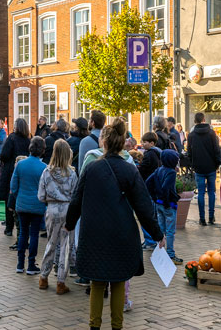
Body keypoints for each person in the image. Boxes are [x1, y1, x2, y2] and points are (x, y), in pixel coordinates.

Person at [66, 118, 164, 330]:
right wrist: (157, 234)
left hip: (94, 232)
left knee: (97, 282)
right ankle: (117, 326)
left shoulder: (91, 168)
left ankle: (94, 325)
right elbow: (143, 206)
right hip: (122, 231)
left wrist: (69, 223)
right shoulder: (130, 170)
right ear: (122, 143)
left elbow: (77, 199)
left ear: (104, 142)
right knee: (119, 281)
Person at [38, 139, 78, 294]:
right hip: (68, 210)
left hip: (52, 209)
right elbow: (75, 195)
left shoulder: (46, 172)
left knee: (51, 243)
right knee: (66, 246)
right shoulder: (72, 174)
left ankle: (43, 277)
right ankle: (61, 281)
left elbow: (41, 196)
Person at [11, 136, 47, 275]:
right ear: (42, 149)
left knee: (23, 233)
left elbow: (13, 186)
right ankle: (31, 264)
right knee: (34, 234)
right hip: (37, 205)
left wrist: (19, 197)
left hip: (22, 204)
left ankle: (20, 264)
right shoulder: (44, 168)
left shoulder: (20, 164)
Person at [146, 149, 183, 264]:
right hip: (168, 205)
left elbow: (148, 182)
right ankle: (170, 254)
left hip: (159, 204)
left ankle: (159, 253)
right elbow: (166, 187)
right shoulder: (171, 172)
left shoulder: (159, 170)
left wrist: (155, 197)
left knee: (161, 229)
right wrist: (167, 202)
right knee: (170, 231)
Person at [0, 118, 32, 236]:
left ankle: (9, 227)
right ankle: (21, 227)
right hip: (25, 171)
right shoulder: (28, 140)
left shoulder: (12, 138)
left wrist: (2, 158)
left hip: (11, 170)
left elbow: (5, 154)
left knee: (9, 198)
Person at [187, 112, 221, 226]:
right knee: (211, 192)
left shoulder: (191, 135)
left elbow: (189, 152)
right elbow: (216, 150)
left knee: (201, 193)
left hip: (199, 167)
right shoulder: (211, 133)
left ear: (195, 121)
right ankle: (211, 217)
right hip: (211, 167)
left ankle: (202, 218)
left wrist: (193, 164)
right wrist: (217, 163)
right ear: (204, 120)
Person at [138, 132, 163, 251]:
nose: (142, 144)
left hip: (148, 186)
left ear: (152, 143)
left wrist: (137, 167)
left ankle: (150, 241)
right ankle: (153, 240)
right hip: (155, 187)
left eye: (145, 142)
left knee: (147, 214)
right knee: (154, 215)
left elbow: (142, 169)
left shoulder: (149, 154)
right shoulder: (158, 153)